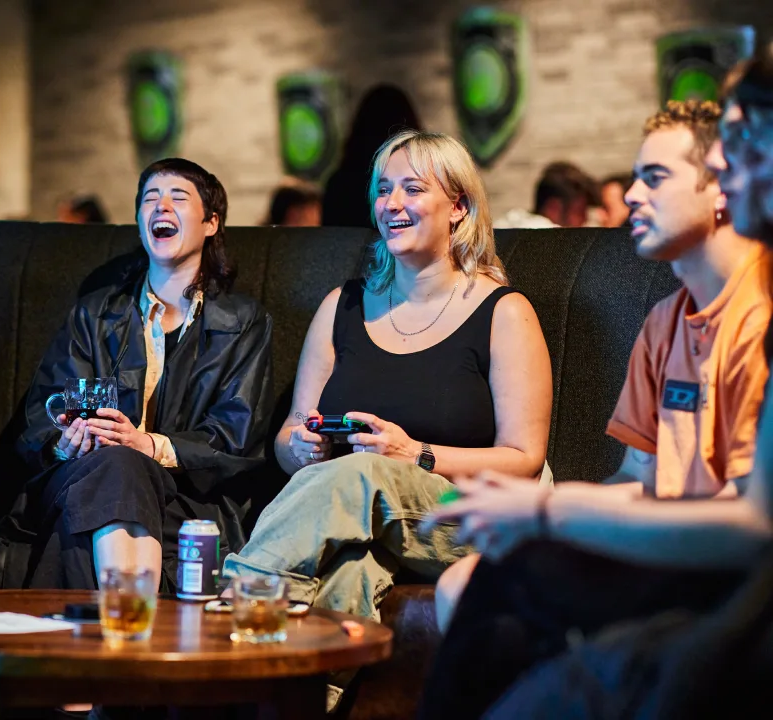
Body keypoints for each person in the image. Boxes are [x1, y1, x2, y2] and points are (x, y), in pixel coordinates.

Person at [418, 98, 773, 720]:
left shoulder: (759, 313)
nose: (632, 194)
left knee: (511, 583)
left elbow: (752, 523)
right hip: (676, 552)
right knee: (492, 576)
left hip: (731, 576)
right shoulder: (667, 319)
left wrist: (550, 509)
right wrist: (529, 513)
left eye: (655, 177)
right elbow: (641, 481)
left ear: (723, 185)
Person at [223, 130, 552, 625]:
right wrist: (303, 447)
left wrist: (413, 454)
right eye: (383, 189)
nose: (391, 203)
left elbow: (525, 460)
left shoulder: (504, 313)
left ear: (458, 207)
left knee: (363, 473)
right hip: (364, 514)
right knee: (347, 573)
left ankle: (236, 598)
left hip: (469, 516)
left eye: (413, 190)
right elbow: (291, 434)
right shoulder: (342, 306)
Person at [16, 158, 273, 591]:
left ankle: (83, 643)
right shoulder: (95, 313)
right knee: (114, 465)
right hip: (87, 474)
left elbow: (236, 436)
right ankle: (135, 638)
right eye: (150, 200)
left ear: (211, 222)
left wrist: (147, 444)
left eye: (178, 198)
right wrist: (63, 442)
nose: (161, 208)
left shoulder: (243, 321)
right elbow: (44, 412)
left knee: (110, 478)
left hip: (185, 496)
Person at [322, 84, 422, 228]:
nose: (391, 205)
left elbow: (331, 239)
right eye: (382, 191)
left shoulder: (340, 182)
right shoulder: (418, 177)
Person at [495, 161, 601, 228]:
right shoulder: (551, 237)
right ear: (553, 208)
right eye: (579, 211)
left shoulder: (511, 222)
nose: (585, 219)